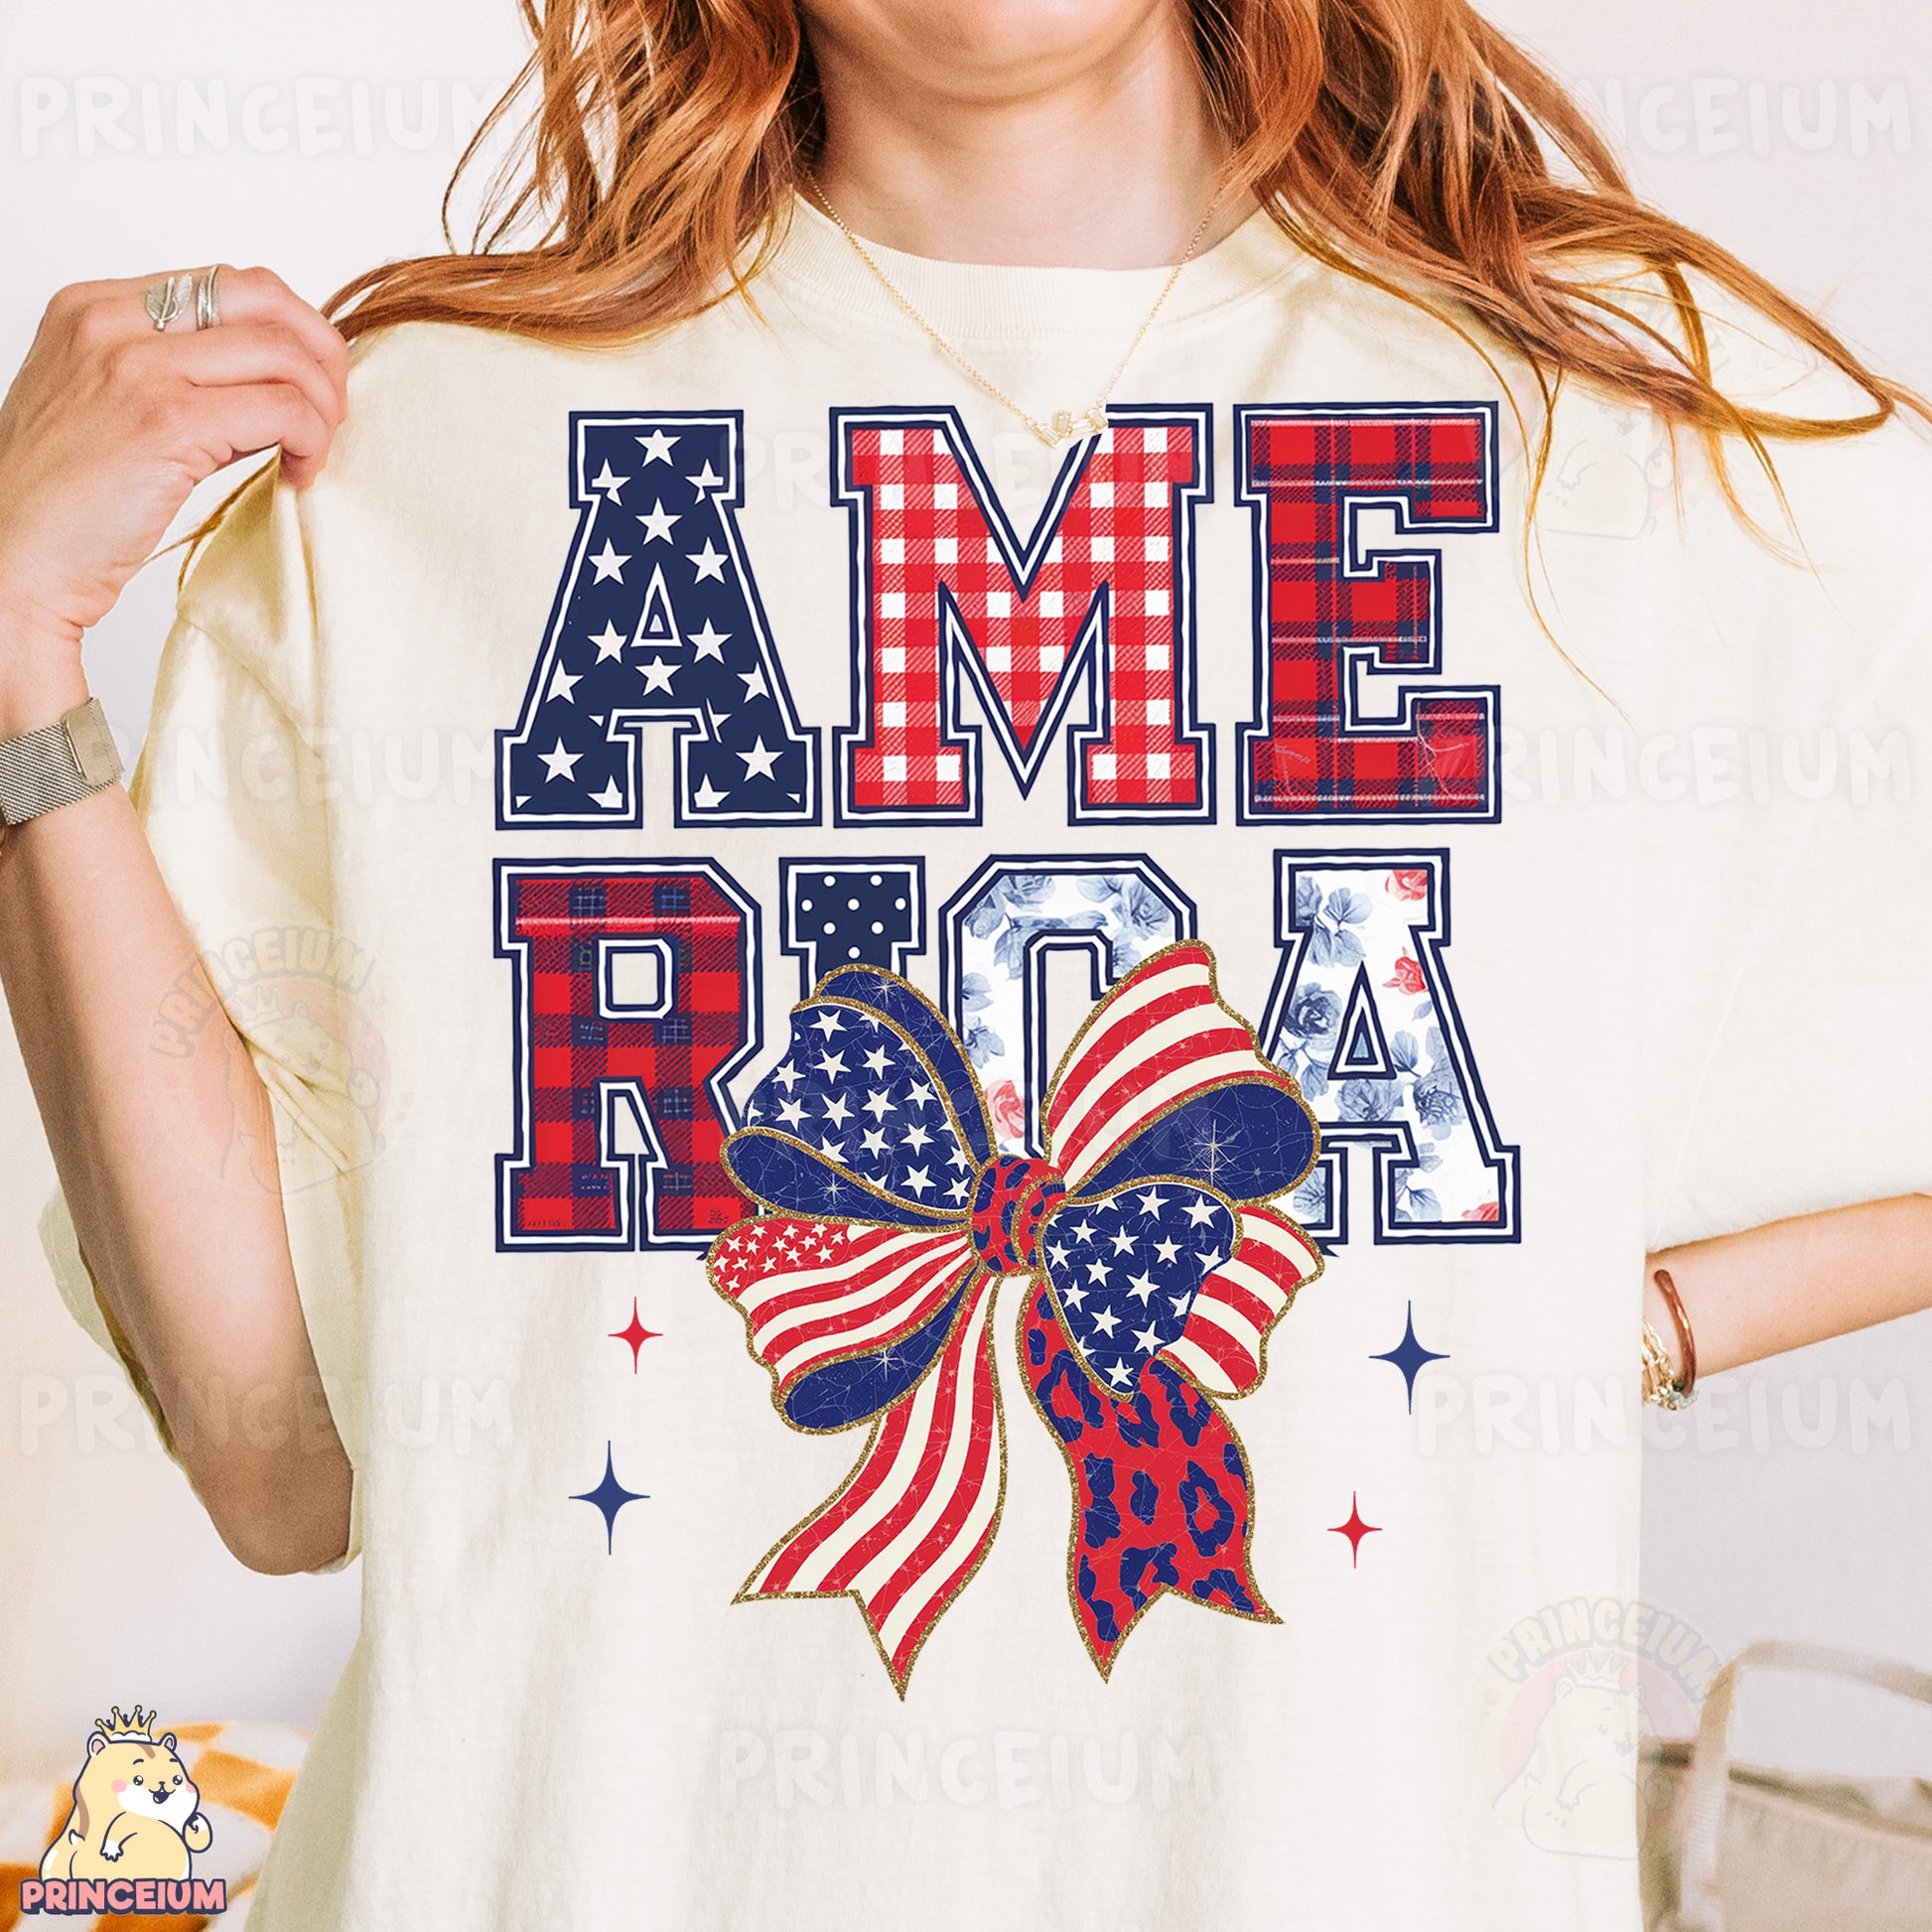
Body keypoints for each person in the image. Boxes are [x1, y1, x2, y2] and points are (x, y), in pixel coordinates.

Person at [2, 1, 1929, 1925]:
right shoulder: (418, 460)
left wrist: (1616, 1325)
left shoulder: (1616, 433)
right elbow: (280, 1463)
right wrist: (14, 651)